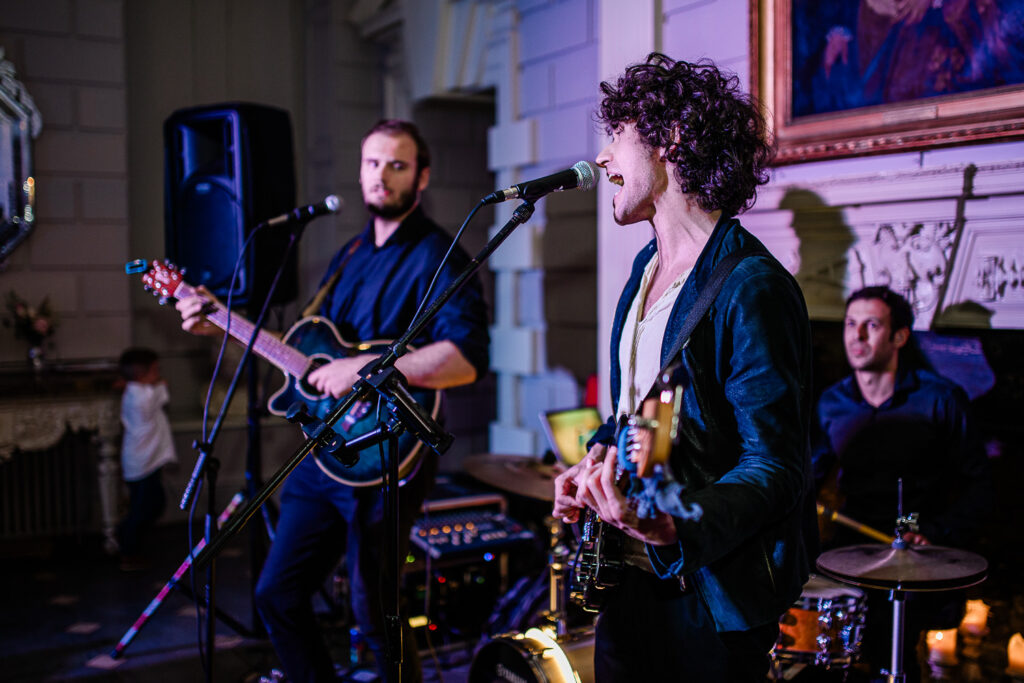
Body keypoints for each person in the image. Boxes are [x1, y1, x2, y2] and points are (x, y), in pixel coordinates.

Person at [176, 119, 489, 683]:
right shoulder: (348, 254)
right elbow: (312, 357)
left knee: (374, 612)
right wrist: (216, 322)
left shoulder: (441, 256)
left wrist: (366, 367)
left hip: (386, 457)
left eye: (397, 164)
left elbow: (465, 360)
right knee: (277, 594)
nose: (381, 175)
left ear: (422, 176)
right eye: (373, 163)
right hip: (325, 454)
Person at [552, 53, 816, 681]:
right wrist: (594, 460)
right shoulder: (642, 275)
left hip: (710, 593)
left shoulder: (751, 285)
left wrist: (675, 523)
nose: (607, 159)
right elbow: (637, 418)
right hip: (628, 581)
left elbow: (777, 466)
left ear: (669, 137)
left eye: (617, 136)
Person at [813, 285, 991, 680]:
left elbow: (980, 485)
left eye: (871, 326)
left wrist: (937, 532)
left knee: (894, 660)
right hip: (851, 554)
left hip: (920, 552)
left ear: (899, 337)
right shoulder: (831, 403)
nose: (856, 337)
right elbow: (808, 478)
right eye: (850, 325)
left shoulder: (941, 400)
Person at [116, 347, 177, 571]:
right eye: (155, 370)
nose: (159, 374)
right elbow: (160, 392)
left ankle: (130, 543)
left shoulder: (136, 390)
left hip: (144, 460)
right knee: (145, 507)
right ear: (142, 374)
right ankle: (128, 549)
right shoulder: (142, 395)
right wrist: (160, 384)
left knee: (149, 504)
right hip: (143, 462)